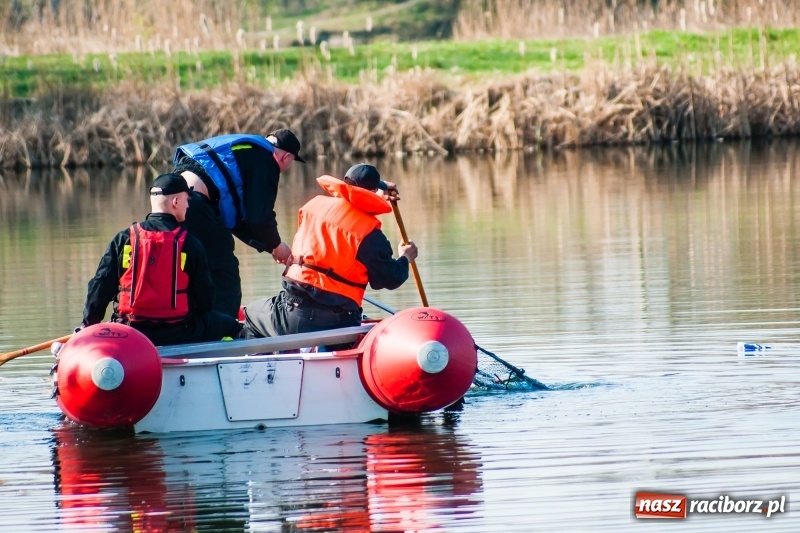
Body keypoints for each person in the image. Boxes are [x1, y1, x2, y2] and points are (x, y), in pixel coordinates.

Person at [242, 163, 418, 339]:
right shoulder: (371, 234)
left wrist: (378, 189)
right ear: (372, 192)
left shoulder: (313, 208)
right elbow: (390, 278)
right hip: (340, 324)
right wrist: (405, 257)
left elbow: (351, 204)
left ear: (344, 184)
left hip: (293, 314)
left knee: (250, 314)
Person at [81, 173, 243, 346]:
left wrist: (88, 325)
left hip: (132, 332)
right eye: (187, 200)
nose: (188, 206)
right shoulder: (190, 243)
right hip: (181, 332)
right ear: (175, 202)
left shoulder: (124, 239)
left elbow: (99, 287)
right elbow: (205, 301)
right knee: (230, 325)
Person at [172, 129, 305, 318]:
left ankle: (190, 321)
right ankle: (224, 330)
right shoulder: (267, 160)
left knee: (194, 266)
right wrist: (276, 245)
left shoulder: (248, 152)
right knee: (224, 272)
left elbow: (238, 221)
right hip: (194, 202)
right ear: (286, 157)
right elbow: (260, 216)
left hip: (174, 201)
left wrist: (271, 247)